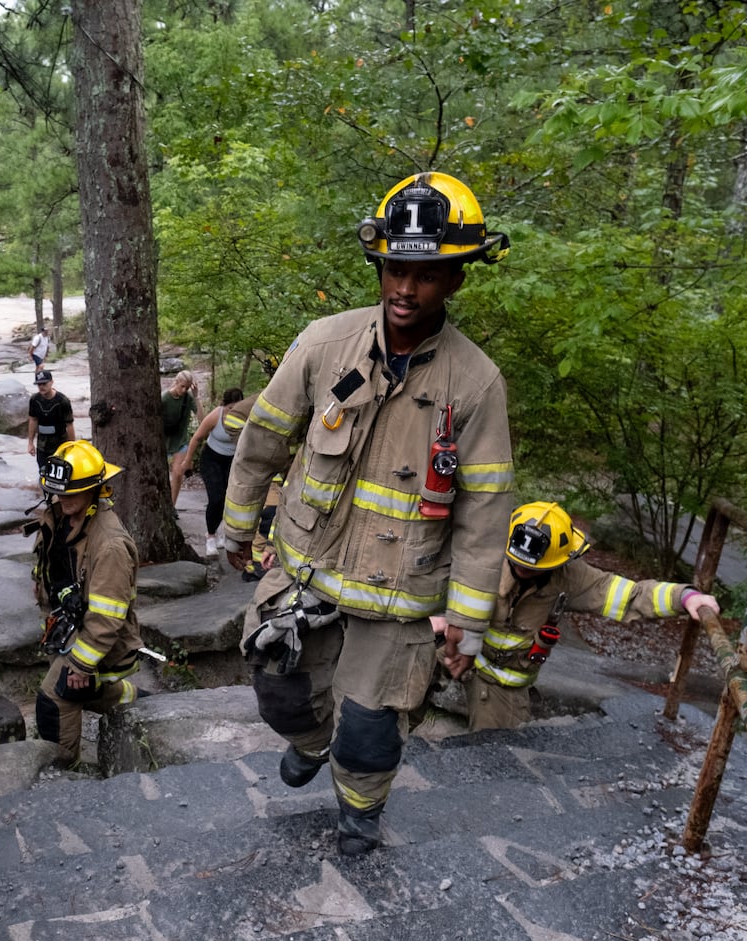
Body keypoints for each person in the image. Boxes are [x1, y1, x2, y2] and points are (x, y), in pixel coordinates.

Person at [223, 171, 514, 856]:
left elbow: (485, 512)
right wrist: (236, 527)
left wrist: (467, 625)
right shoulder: (324, 347)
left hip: (400, 596)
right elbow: (262, 439)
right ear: (380, 262)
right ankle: (308, 743)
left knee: (372, 730)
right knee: (278, 691)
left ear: (457, 280)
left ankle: (359, 810)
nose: (405, 289)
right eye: (395, 268)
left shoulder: (474, 385)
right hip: (303, 572)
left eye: (427, 274)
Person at [430, 501, 720, 731]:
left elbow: (629, 596)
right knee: (402, 674)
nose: (522, 571)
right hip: (458, 645)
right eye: (517, 563)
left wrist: (685, 597)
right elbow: (441, 577)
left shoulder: (572, 579)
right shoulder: (487, 553)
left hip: (502, 686)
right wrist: (440, 621)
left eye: (532, 568)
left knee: (495, 760)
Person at [29, 441, 145, 764]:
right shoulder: (60, 517)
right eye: (57, 492)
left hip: (98, 643)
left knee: (56, 698)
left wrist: (81, 663)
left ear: (96, 489)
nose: (62, 499)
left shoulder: (110, 546)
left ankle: (65, 770)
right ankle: (134, 700)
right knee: (75, 688)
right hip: (68, 630)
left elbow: (107, 617)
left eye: (71, 492)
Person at [175, 388, 251, 557]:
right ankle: (210, 536)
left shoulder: (246, 416)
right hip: (212, 459)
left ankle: (222, 532)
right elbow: (196, 438)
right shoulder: (217, 415)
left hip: (233, 461)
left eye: (237, 408)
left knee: (229, 499)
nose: (234, 412)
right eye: (231, 408)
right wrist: (187, 461)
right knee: (216, 497)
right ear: (225, 405)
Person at [161, 370, 203, 503]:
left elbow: (203, 420)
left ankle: (172, 506)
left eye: (187, 387)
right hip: (164, 442)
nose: (184, 390)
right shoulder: (164, 399)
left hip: (180, 441)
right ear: (176, 382)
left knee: (178, 473)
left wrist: (196, 397)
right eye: (182, 386)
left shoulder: (188, 398)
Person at [26, 370, 76, 468]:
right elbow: (33, 420)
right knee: (43, 471)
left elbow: (69, 425)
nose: (41, 387)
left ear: (51, 382)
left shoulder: (62, 401)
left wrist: (72, 446)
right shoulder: (34, 400)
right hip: (42, 445)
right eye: (39, 384)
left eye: (44, 383)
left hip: (60, 444)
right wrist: (30, 443)